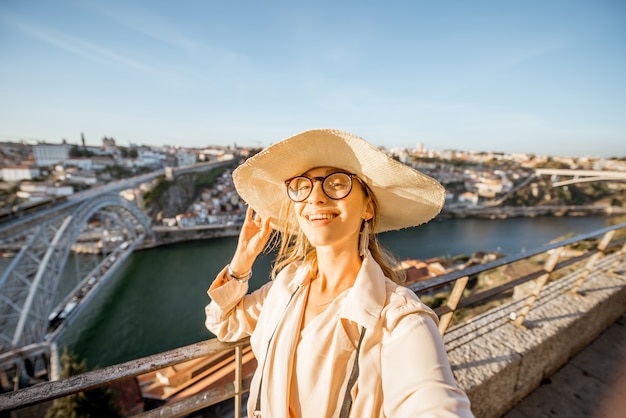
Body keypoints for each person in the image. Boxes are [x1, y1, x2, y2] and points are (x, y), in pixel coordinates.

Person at [205, 129, 473, 417]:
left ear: (368, 207)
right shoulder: (286, 285)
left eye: (336, 184)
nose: (316, 197)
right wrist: (242, 261)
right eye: (301, 186)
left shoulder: (398, 318)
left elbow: (432, 404)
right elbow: (223, 322)